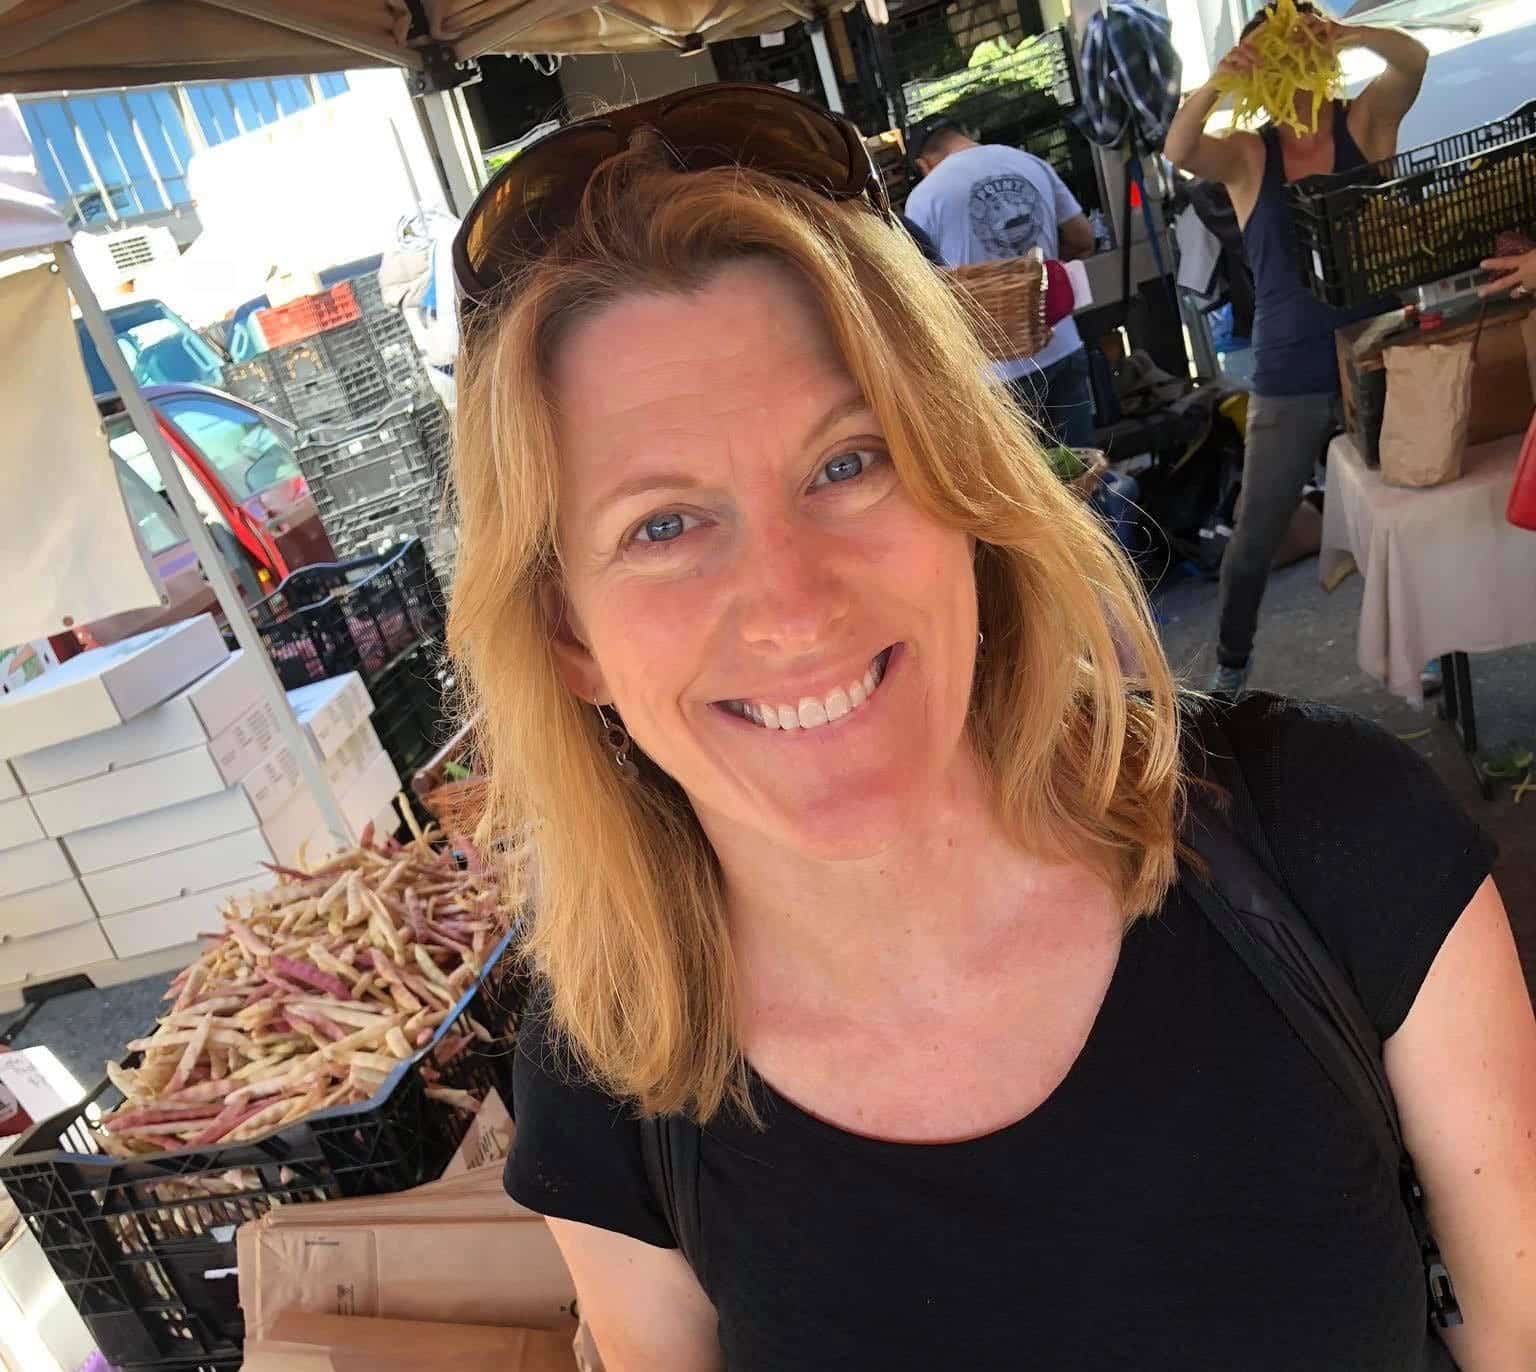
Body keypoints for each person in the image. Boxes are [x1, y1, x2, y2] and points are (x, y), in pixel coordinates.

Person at [447, 84, 1536, 1371]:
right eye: (664, 525)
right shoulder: (610, 1070)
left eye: (848, 462)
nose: (794, 607)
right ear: (569, 636)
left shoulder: (1336, 836)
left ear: (966, 482)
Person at [1165, 3, 1428, 695]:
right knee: (1257, 528)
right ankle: (1231, 664)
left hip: (1379, 346)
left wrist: (1353, 33)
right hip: (1290, 363)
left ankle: (1423, 646)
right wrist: (1220, 80)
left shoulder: (1363, 124)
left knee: (1403, 507)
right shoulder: (1251, 155)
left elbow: (1413, 62)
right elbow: (1180, 149)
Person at [902, 120, 1097, 446]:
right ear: (966, 135)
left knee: (1026, 476)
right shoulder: (1029, 162)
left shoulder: (924, 197)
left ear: (924, 164)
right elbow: (1082, 238)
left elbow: (922, 289)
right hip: (1061, 343)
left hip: (996, 374)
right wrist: (1034, 272)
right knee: (1083, 465)